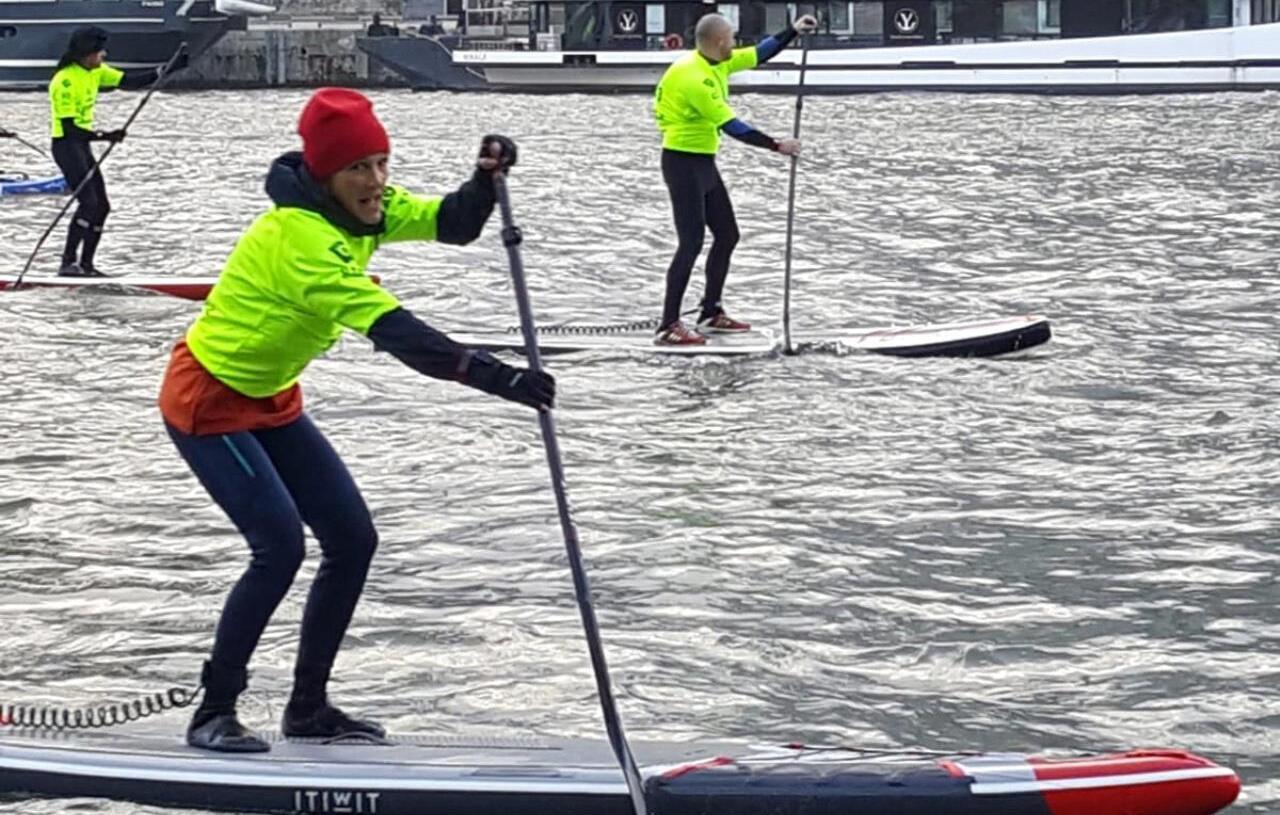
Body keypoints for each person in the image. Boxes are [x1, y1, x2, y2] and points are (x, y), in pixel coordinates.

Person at [158, 88, 555, 753]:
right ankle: (213, 711)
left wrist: (484, 182)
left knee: (353, 539)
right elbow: (398, 333)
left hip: (273, 395)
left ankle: (308, 708)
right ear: (324, 176)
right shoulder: (299, 237)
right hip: (208, 400)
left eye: (381, 163)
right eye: (358, 169)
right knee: (279, 546)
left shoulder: (365, 208)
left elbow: (453, 222)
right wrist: (500, 376)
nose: (376, 182)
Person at [651, 13, 817, 346]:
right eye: (732, 37)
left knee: (727, 235)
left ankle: (710, 313)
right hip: (681, 164)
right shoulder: (693, 77)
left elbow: (759, 53)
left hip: (703, 163)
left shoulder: (717, 62)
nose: (736, 42)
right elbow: (732, 126)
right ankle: (668, 325)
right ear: (718, 42)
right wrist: (777, 145)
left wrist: (793, 32)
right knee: (691, 243)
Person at [48, 27, 188, 277]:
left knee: (102, 206)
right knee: (88, 203)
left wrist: (168, 68)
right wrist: (105, 135)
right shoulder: (64, 80)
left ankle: (87, 265)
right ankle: (68, 263)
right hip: (67, 145)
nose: (104, 55)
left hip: (83, 145)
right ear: (85, 53)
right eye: (99, 51)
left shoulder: (96, 72)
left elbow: (129, 81)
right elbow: (69, 129)